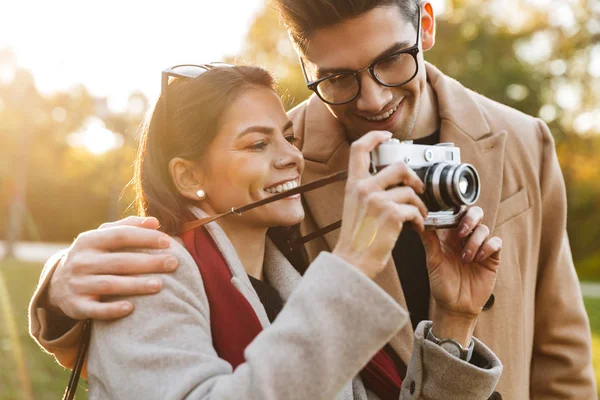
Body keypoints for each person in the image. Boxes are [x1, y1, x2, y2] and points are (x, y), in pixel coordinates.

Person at [29, 0, 596, 398]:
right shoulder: (289, 149)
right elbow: (188, 241)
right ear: (305, 62)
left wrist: (455, 316)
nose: (372, 99)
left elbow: (562, 350)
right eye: (338, 78)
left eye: (392, 60)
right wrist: (60, 283)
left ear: (425, 24)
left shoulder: (525, 139)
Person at [31, 63, 503, 399]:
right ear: (189, 178)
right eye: (258, 143)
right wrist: (353, 266)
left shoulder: (296, 283)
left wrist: (455, 320)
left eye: (288, 137)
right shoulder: (151, 278)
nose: (290, 157)